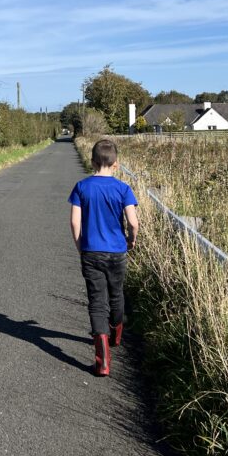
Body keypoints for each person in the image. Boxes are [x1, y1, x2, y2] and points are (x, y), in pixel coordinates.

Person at [68, 139, 139, 377]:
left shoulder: (81, 187)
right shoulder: (123, 189)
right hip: (117, 252)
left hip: (91, 252)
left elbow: (75, 222)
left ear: (92, 162)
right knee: (116, 293)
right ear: (116, 164)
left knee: (97, 301)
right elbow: (133, 222)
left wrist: (80, 246)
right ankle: (116, 335)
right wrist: (132, 238)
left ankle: (102, 361)